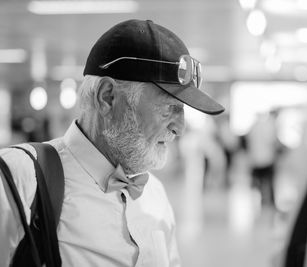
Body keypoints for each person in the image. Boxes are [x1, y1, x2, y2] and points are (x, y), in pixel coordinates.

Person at [0, 19, 224, 266]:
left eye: (182, 110)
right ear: (107, 97)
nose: (179, 127)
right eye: (169, 107)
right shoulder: (19, 181)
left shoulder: (155, 195)